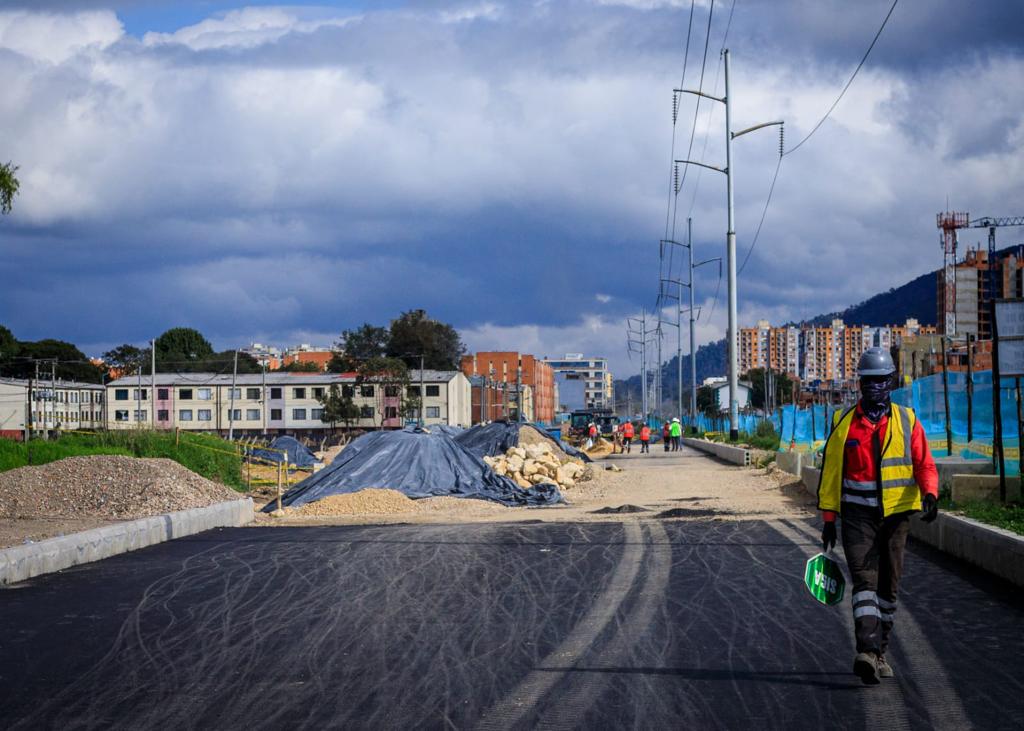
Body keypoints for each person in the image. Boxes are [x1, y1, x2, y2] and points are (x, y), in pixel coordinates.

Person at [818, 347, 938, 686]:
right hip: (858, 518)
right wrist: (829, 519)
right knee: (865, 582)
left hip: (897, 517)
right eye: (868, 381)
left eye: (880, 381)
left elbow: (924, 463)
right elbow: (830, 475)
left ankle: (880, 651)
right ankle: (867, 651)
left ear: (891, 383)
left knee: (888, 589)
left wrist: (930, 492)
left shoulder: (907, 420)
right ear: (860, 384)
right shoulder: (844, 424)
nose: (874, 387)